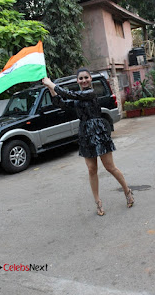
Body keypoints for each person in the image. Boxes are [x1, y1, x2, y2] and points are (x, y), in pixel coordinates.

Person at [42, 68, 134, 216]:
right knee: (92, 169)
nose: (84, 80)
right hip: (85, 132)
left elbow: (70, 94)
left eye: (86, 78)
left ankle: (127, 191)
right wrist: (49, 88)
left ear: (90, 79)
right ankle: (98, 202)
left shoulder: (89, 93)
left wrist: (52, 84)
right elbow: (61, 103)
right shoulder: (78, 98)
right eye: (81, 78)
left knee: (110, 167)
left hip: (98, 131)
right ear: (77, 81)